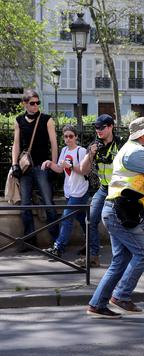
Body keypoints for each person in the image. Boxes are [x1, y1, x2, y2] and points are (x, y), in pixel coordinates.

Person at [86, 117, 144, 319]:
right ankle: (120, 295)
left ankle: (97, 305)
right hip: (120, 213)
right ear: (140, 134)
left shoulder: (133, 150)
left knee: (120, 260)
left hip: (118, 211)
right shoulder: (136, 152)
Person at [75, 114, 144, 268]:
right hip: (104, 189)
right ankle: (93, 256)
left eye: (102, 127)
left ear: (111, 126)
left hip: (122, 190)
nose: (98, 130)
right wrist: (90, 154)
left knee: (137, 220)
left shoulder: (122, 144)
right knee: (91, 220)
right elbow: (84, 170)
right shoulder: (94, 146)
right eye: (96, 127)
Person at [11, 90, 59, 251]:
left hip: (42, 166)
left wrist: (53, 164)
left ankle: (57, 241)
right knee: (25, 204)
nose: (35, 105)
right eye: (32, 103)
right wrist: (14, 164)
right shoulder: (18, 120)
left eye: (37, 102)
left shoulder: (46, 119)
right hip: (25, 169)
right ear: (25, 104)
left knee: (48, 202)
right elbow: (16, 144)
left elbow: (54, 144)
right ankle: (30, 240)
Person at [41, 125, 90, 258]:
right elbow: (59, 169)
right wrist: (50, 163)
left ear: (76, 137)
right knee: (81, 218)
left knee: (66, 218)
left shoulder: (81, 151)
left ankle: (59, 247)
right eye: (66, 136)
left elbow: (85, 170)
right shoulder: (63, 150)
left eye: (71, 136)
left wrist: (71, 166)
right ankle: (91, 243)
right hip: (69, 190)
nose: (68, 139)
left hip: (80, 190)